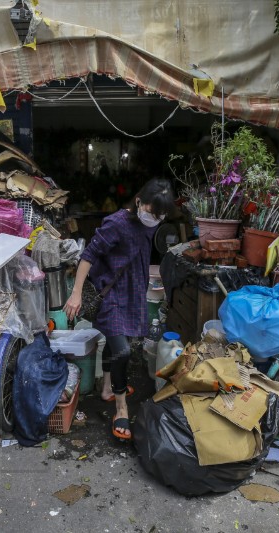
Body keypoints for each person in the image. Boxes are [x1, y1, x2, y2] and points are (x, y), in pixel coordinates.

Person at [64, 179, 174, 441]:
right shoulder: (117, 223)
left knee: (115, 347)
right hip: (111, 295)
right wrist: (76, 293)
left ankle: (107, 389)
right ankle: (121, 408)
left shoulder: (151, 225)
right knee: (123, 351)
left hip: (133, 292)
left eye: (160, 215)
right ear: (139, 201)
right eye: (151, 210)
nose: (154, 218)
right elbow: (88, 256)